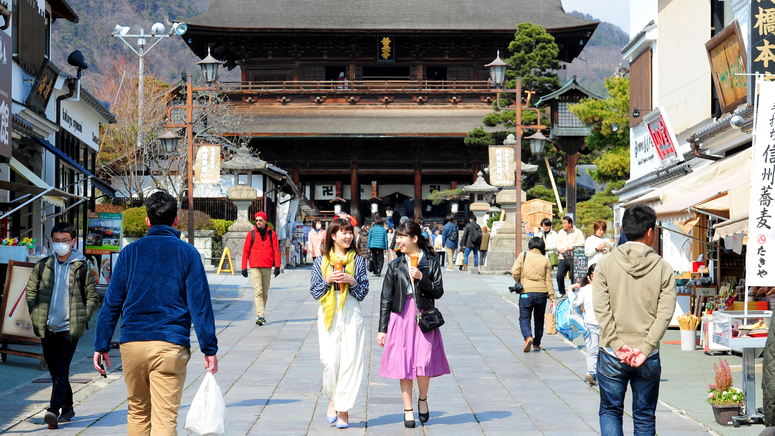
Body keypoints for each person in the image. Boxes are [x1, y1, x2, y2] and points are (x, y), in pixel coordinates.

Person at [93, 191, 218, 436]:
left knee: (138, 412)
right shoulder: (188, 254)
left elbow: (111, 303)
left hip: (133, 344)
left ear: (147, 221)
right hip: (170, 344)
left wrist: (101, 344)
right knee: (164, 419)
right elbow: (200, 306)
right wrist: (209, 348)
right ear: (177, 220)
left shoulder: (129, 253)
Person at [593, 204, 677, 436]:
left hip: (612, 353)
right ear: (650, 231)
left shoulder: (605, 263)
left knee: (610, 411)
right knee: (644, 416)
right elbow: (665, 313)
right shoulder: (663, 267)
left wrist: (617, 345)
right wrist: (646, 347)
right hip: (647, 355)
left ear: (623, 229)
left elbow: (601, 308)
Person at [26, 222, 98, 429]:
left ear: (73, 241)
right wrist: (35, 312)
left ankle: (53, 410)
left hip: (70, 328)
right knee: (55, 370)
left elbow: (92, 297)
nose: (60, 244)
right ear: (51, 241)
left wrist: (83, 317)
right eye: (56, 241)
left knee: (62, 369)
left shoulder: (82, 267)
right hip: (47, 326)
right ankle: (68, 408)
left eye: (65, 241)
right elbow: (31, 292)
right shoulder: (43, 265)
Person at [378, 221, 450, 428]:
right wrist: (382, 329)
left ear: (414, 238)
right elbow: (386, 298)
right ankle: (408, 408)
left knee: (424, 361)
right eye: (397, 237)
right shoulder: (395, 265)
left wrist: (421, 278)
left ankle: (423, 399)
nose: (398, 240)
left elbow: (438, 291)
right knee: (404, 363)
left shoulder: (431, 262)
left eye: (402, 236)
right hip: (401, 316)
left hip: (424, 316)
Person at [310, 218, 370, 429]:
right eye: (343, 232)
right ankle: (332, 399)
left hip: (351, 309)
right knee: (330, 360)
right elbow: (315, 291)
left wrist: (352, 281)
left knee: (350, 361)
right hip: (328, 310)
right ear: (332, 236)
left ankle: (343, 410)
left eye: (350, 232)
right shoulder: (320, 261)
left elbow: (363, 292)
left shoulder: (359, 261)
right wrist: (327, 281)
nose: (348, 236)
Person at [510, 237, 554, 353]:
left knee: (524, 317)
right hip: (542, 294)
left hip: (526, 293)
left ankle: (528, 337)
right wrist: (552, 296)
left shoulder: (523, 255)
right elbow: (548, 280)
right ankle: (536, 343)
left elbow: (514, 271)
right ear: (542, 247)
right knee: (539, 319)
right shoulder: (546, 260)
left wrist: (519, 280)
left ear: (530, 246)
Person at [241, 211, 281, 326]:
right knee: (258, 291)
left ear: (265, 221)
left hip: (267, 266)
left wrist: (277, 266)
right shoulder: (251, 234)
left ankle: (261, 314)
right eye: (257, 220)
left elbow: (276, 250)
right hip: (255, 267)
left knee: (265, 293)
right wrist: (244, 267)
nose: (258, 222)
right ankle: (260, 315)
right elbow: (245, 251)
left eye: (260, 220)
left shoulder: (271, 234)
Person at [569, 264, 599, 386]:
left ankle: (593, 372)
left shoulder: (586, 290)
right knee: (595, 350)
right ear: (592, 276)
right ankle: (592, 372)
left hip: (597, 324)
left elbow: (575, 303)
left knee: (595, 350)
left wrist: (570, 291)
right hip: (595, 324)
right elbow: (575, 303)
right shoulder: (588, 290)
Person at [555, 216, 585, 295]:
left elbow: (582, 242)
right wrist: (561, 248)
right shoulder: (561, 232)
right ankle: (562, 291)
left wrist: (572, 247)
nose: (563, 225)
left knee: (573, 276)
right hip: (563, 257)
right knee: (559, 275)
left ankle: (574, 291)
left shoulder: (577, 232)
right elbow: (557, 242)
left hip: (574, 257)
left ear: (570, 223)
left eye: (565, 223)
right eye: (563, 223)